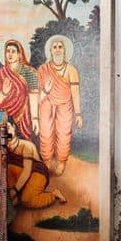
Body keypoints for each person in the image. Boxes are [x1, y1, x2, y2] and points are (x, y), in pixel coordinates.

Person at [37, 35, 83, 176]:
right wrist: (46, 91)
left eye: (60, 47)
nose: (57, 50)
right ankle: (47, 160)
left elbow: (75, 93)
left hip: (65, 105)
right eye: (54, 47)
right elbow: (37, 97)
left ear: (65, 50)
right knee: (46, 133)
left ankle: (62, 161)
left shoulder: (71, 70)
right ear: (50, 51)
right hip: (46, 105)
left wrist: (78, 114)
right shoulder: (43, 69)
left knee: (64, 133)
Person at [6, 119, 66, 209]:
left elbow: (27, 171)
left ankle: (54, 194)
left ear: (14, 127)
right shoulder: (4, 147)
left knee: (26, 200)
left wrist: (14, 190)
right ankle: (17, 197)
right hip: (21, 174)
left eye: (8, 128)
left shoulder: (26, 146)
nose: (6, 132)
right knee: (8, 168)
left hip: (37, 174)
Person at [0, 39, 39, 140]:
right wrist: (4, 93)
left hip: (24, 116)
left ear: (20, 54)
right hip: (4, 115)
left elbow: (33, 96)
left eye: (13, 51)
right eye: (8, 51)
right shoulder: (0, 73)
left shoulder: (29, 72)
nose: (10, 54)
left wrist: (35, 118)